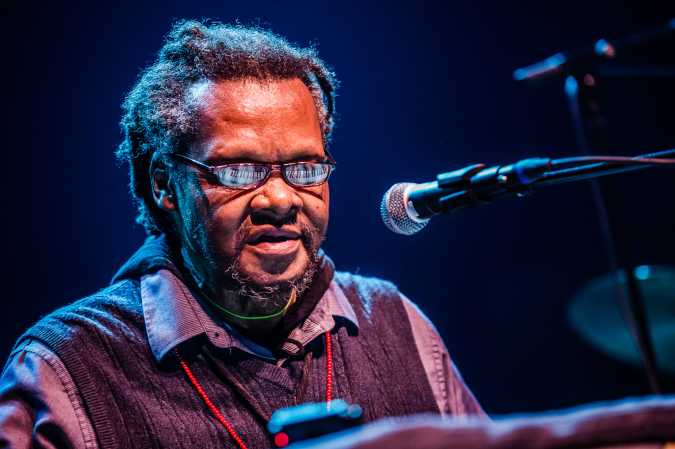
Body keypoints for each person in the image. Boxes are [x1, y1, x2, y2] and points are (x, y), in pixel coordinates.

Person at [0, 20, 483, 449]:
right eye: (238, 171)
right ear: (165, 185)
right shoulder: (64, 369)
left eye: (305, 167)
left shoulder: (399, 326)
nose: (280, 199)